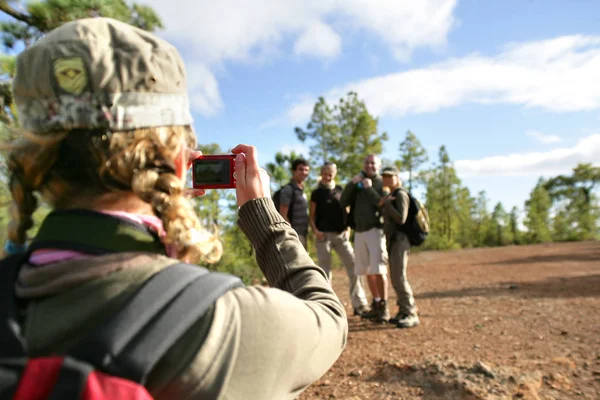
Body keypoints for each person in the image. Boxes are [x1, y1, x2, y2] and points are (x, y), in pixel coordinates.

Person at [0, 17, 347, 399]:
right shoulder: (222, 321)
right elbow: (327, 319)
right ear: (178, 160)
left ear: (33, 163)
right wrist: (264, 218)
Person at [309, 162, 370, 316]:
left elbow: (346, 211)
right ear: (321, 173)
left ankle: (359, 304)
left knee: (354, 266)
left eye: (331, 173)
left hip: (341, 235)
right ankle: (327, 307)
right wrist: (316, 231)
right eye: (325, 173)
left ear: (334, 174)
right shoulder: (316, 193)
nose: (328, 176)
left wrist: (348, 229)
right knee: (325, 272)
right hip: (323, 236)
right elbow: (312, 216)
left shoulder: (340, 190)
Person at [340, 154, 390, 323]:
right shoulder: (358, 183)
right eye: (367, 162)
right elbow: (343, 201)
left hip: (376, 231)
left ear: (379, 166)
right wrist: (352, 184)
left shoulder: (382, 183)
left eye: (373, 163)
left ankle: (384, 306)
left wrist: (369, 189)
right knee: (367, 270)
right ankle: (375, 304)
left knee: (379, 270)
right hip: (359, 232)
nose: (369, 166)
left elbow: (382, 203)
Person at [380, 166, 420, 328]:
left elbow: (401, 218)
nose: (387, 179)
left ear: (397, 178)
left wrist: (387, 205)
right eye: (384, 176)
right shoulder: (390, 195)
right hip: (393, 240)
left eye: (390, 176)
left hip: (400, 240)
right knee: (395, 277)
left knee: (399, 276)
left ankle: (411, 312)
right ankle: (403, 310)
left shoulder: (401, 194)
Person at [278, 158, 310, 248]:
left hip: (303, 234)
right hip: (293, 236)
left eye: (306, 170)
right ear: (293, 171)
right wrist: (291, 235)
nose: (304, 172)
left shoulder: (301, 190)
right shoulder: (288, 190)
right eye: (300, 169)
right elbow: (283, 215)